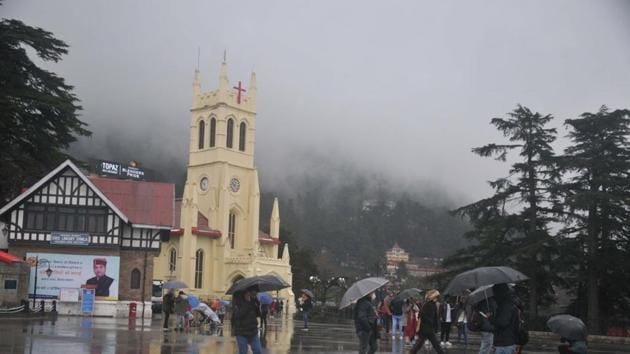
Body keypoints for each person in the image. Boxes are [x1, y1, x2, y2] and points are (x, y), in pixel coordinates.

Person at [410, 289, 445, 354]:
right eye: (436, 297)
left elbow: (434, 317)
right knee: (435, 344)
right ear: (433, 297)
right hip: (426, 328)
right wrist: (431, 322)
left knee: (420, 344)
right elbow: (422, 314)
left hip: (428, 328)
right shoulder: (427, 304)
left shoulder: (433, 304)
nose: (437, 299)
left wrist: (435, 325)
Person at [490, 283, 520, 354]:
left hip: (504, 343)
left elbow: (503, 323)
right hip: (507, 341)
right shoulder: (509, 305)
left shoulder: (506, 306)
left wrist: (491, 319)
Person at [232, 286, 262, 354]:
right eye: (254, 292)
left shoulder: (254, 301)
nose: (255, 294)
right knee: (243, 352)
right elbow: (238, 315)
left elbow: (258, 314)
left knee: (258, 351)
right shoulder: (238, 302)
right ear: (247, 293)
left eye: (256, 293)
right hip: (241, 331)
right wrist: (247, 303)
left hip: (253, 331)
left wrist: (256, 302)